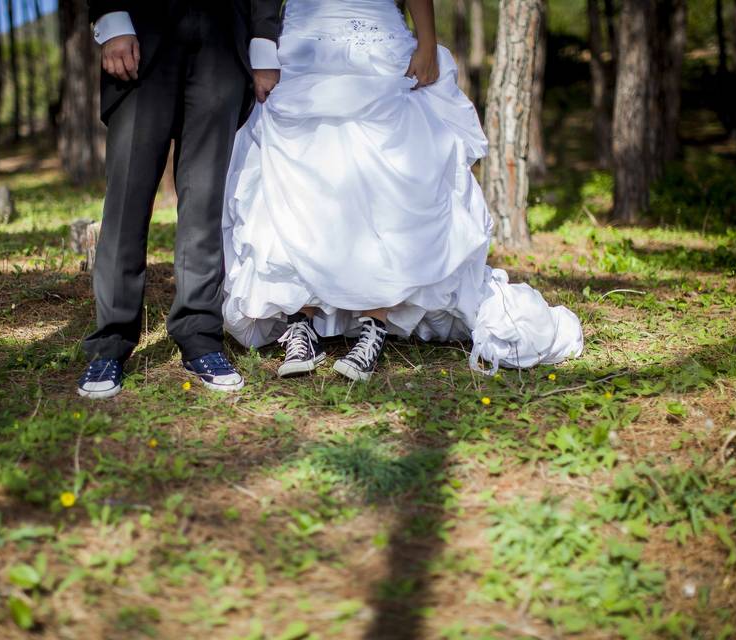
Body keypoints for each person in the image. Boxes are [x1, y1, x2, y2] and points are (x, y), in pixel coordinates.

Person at [222, 0, 584, 381]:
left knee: (386, 186)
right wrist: (263, 54)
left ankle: (374, 326)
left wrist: (427, 42)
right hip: (303, 45)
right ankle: (301, 323)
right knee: (301, 183)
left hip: (378, 44)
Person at [77, 0, 283, 398]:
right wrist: (112, 17)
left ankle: (200, 336)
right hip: (142, 33)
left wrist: (263, 41)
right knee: (126, 202)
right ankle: (110, 343)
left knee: (206, 203)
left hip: (224, 37)